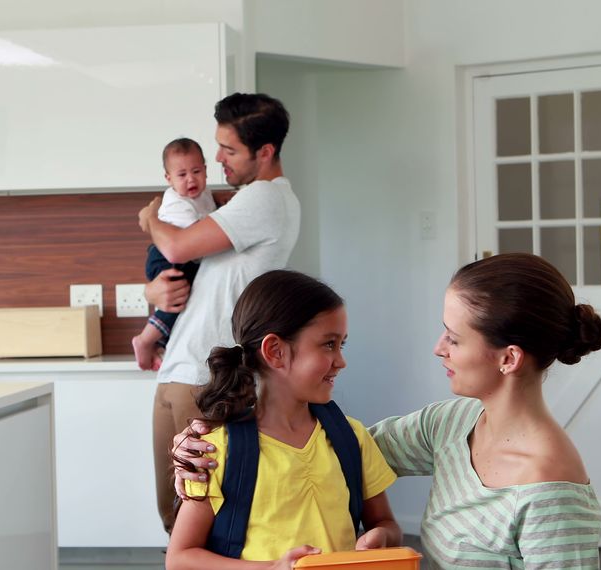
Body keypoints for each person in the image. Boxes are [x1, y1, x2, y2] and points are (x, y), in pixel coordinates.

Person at [174, 253, 601, 569]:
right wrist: (201, 443)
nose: (439, 347)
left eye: (454, 338)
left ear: (508, 359)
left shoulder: (553, 495)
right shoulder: (452, 424)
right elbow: (319, 452)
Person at [138, 92, 301, 534]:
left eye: (229, 150)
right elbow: (187, 273)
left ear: (264, 152)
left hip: (207, 380)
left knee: (203, 521)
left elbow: (173, 245)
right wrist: (153, 290)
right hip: (179, 371)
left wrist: (150, 218)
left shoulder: (266, 198)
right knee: (174, 517)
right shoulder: (239, 204)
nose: (218, 159)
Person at [166, 270, 402, 570]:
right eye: (329, 344)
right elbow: (180, 558)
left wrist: (381, 536)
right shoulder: (214, 453)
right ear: (275, 351)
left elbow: (385, 522)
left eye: (342, 345)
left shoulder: (351, 437)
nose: (341, 361)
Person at [131, 137, 216, 371]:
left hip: (181, 257)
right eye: (181, 175)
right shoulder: (175, 203)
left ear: (206, 171)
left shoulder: (204, 195)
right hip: (165, 256)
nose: (191, 179)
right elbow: (192, 239)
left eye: (196, 171)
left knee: (181, 302)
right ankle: (145, 339)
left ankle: (160, 344)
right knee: (175, 300)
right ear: (168, 179)